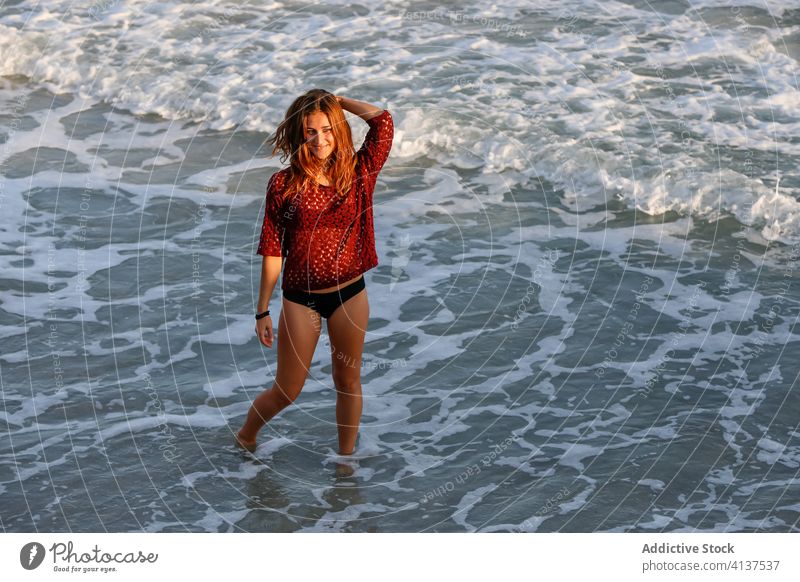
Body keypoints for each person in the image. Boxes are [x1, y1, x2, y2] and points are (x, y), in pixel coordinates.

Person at [235, 89, 394, 456]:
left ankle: (345, 462)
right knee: (288, 389)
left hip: (350, 295)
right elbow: (273, 250)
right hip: (300, 299)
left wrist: (340, 102)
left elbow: (383, 122)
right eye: (310, 131)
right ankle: (246, 435)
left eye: (327, 129)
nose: (320, 139)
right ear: (298, 133)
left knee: (348, 381)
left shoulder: (358, 173)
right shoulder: (283, 185)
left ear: (338, 130)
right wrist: (262, 309)